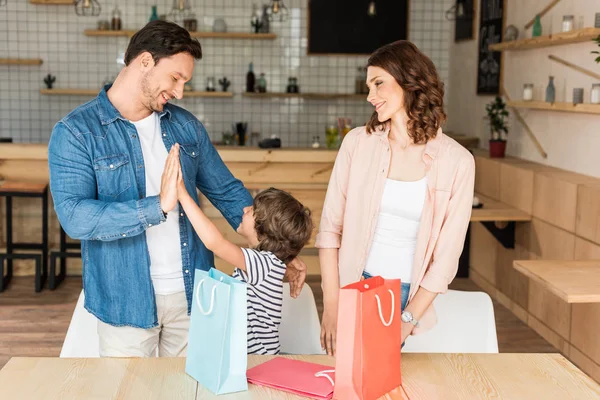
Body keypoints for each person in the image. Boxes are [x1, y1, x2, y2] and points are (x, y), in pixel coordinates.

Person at [48, 20, 306, 358]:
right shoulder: (76, 133)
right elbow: (75, 217)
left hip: (193, 296)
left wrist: (279, 249)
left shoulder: (186, 127)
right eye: (175, 78)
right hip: (125, 301)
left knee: (191, 392)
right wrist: (158, 206)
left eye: (185, 81)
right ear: (144, 61)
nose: (180, 92)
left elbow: (228, 192)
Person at [316, 40, 475, 356]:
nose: (370, 96)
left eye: (378, 84)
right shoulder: (356, 144)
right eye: (368, 86)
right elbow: (329, 230)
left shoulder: (457, 161)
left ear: (409, 81)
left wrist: (407, 318)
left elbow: (446, 258)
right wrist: (331, 305)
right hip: (353, 286)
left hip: (406, 296)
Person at [164, 143, 313, 355]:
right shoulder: (268, 262)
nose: (244, 208)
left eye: (251, 210)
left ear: (263, 230)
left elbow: (214, 243)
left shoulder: (263, 264)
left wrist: (183, 195)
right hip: (252, 358)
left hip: (258, 361)